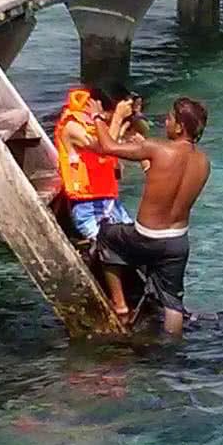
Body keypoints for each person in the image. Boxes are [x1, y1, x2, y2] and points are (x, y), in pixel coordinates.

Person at [90, 95, 210, 337]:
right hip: (177, 242)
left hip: (146, 237)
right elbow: (169, 187)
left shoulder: (156, 147)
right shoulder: (203, 162)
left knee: (106, 235)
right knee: (173, 303)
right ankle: (172, 349)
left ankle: (120, 306)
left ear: (179, 127)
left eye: (169, 119)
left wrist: (97, 117)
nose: (165, 122)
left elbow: (107, 147)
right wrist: (148, 160)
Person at [50, 84, 132, 322]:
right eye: (108, 114)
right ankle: (120, 305)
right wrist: (116, 118)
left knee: (137, 241)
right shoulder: (73, 127)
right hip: (87, 208)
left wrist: (129, 121)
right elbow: (105, 149)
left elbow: (117, 147)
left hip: (110, 203)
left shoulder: (99, 124)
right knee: (111, 246)